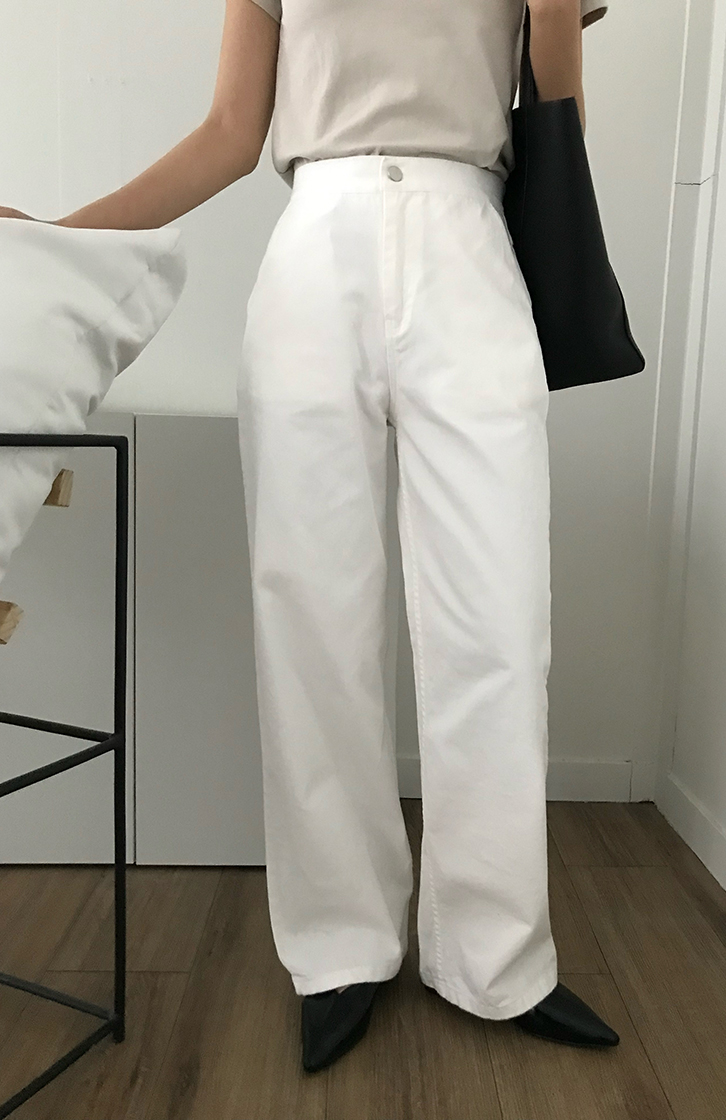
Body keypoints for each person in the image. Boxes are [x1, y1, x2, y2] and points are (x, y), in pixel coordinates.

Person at [1, 0, 620, 1074]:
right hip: (313, 254)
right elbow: (228, 133)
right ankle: (340, 947)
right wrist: (56, 239)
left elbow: (555, 100)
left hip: (471, 241)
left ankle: (498, 954)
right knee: (312, 616)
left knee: (498, 616)